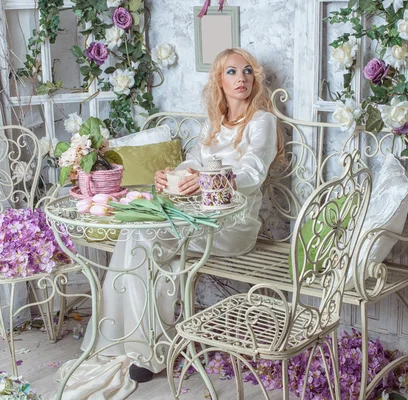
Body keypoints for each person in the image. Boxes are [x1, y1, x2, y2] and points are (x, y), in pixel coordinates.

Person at [58, 48, 283, 399]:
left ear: (255, 78)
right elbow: (193, 160)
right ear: (219, 82)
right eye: (232, 72)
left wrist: (208, 180)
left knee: (144, 239)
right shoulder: (214, 121)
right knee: (139, 240)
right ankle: (138, 345)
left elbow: (254, 171)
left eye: (248, 71)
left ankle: (146, 350)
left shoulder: (262, 121)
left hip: (233, 225)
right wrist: (170, 174)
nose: (241, 78)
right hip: (197, 218)